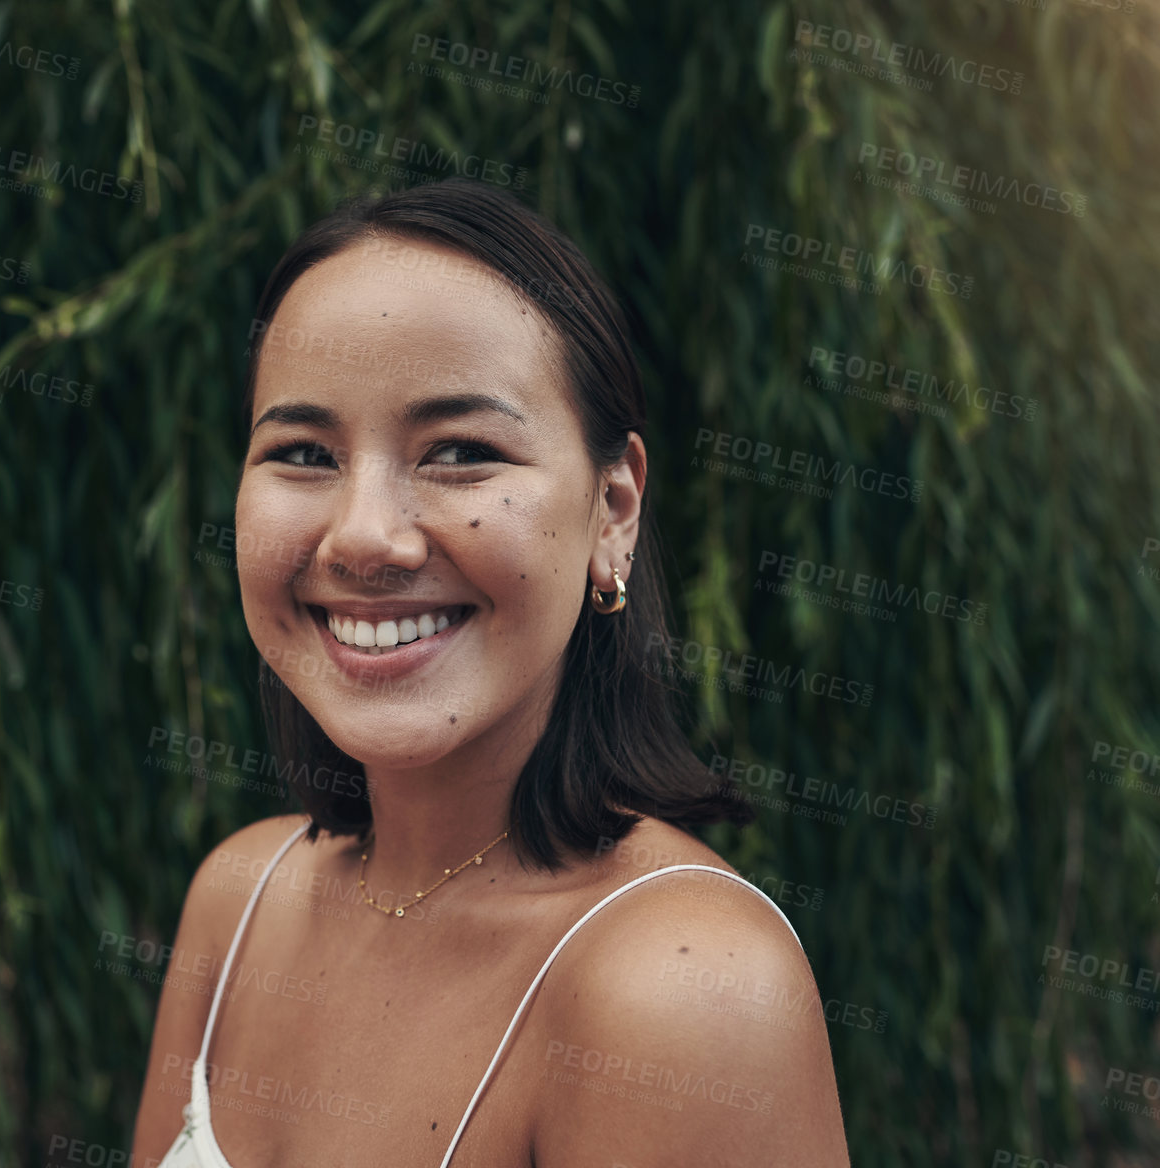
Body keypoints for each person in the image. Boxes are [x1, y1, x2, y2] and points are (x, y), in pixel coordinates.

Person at [129, 178, 851, 1168]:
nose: (364, 536)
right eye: (302, 451)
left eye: (461, 452)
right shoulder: (241, 898)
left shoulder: (678, 990)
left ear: (613, 510)